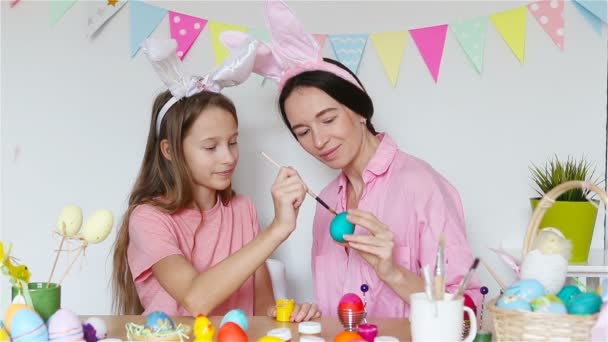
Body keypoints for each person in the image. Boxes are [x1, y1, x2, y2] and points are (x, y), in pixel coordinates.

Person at [221, 0, 481, 318]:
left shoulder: (421, 185)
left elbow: (468, 309)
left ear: (359, 110)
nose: (318, 140)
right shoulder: (326, 204)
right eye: (302, 131)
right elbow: (340, 311)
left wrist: (394, 272)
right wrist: (313, 315)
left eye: (328, 119)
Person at [111, 38, 320, 321]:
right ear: (169, 150)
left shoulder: (242, 209)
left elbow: (263, 310)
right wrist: (278, 229)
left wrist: (289, 314)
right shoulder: (148, 219)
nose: (228, 158)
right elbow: (196, 299)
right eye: (211, 147)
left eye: (233, 142)